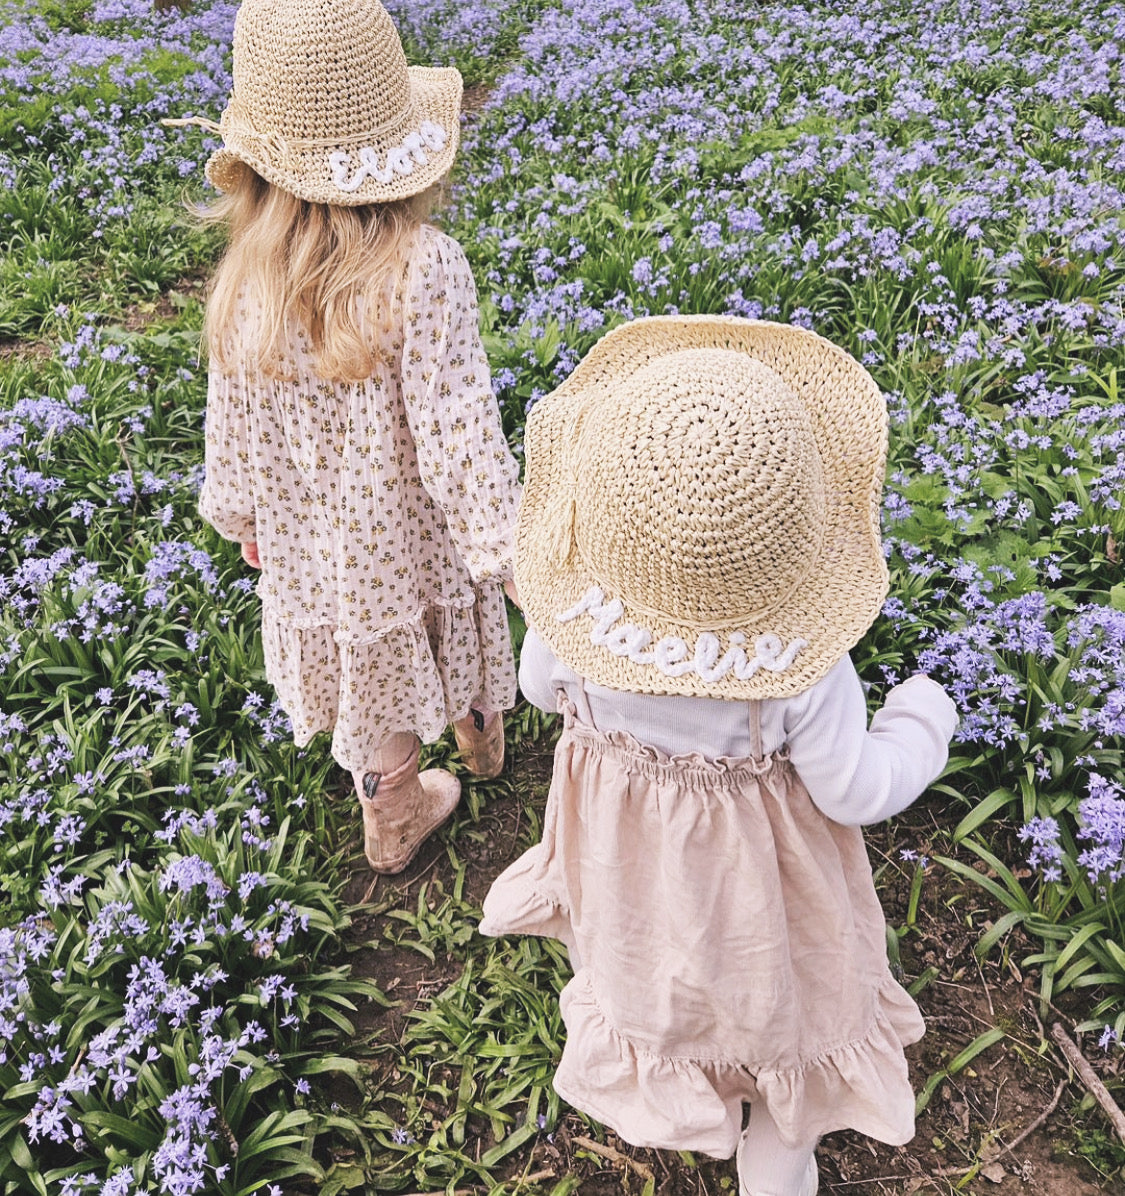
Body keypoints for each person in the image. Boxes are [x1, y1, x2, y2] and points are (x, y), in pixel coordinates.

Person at [480, 315, 958, 1196]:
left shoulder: (574, 630)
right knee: (780, 1023)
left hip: (632, 885)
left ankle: (695, 1091)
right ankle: (776, 1158)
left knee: (658, 978)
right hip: (760, 913)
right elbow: (855, 790)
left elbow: (537, 687)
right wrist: (923, 719)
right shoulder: (799, 670)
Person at [188, 0, 521, 874]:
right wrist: (508, 550)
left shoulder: (242, 283)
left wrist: (242, 517)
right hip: (425, 536)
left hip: (321, 547)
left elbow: (231, 424)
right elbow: (458, 435)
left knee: (370, 674)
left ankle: (396, 812)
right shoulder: (424, 265)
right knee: (458, 627)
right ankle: (481, 736)